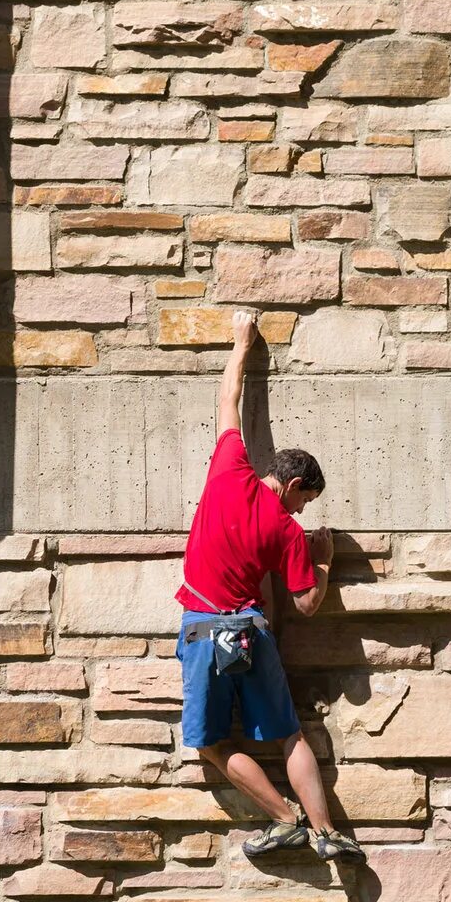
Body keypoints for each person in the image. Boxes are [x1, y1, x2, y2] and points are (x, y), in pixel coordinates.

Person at [175, 309, 364, 863]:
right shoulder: (287, 532)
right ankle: (327, 832)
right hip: (252, 634)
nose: (305, 510)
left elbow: (228, 399)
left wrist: (242, 341)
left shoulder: (228, 467)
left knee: (211, 742)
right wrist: (323, 563)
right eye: (308, 499)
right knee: (290, 735)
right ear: (297, 484)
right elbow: (306, 605)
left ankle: (284, 819)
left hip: (206, 631)